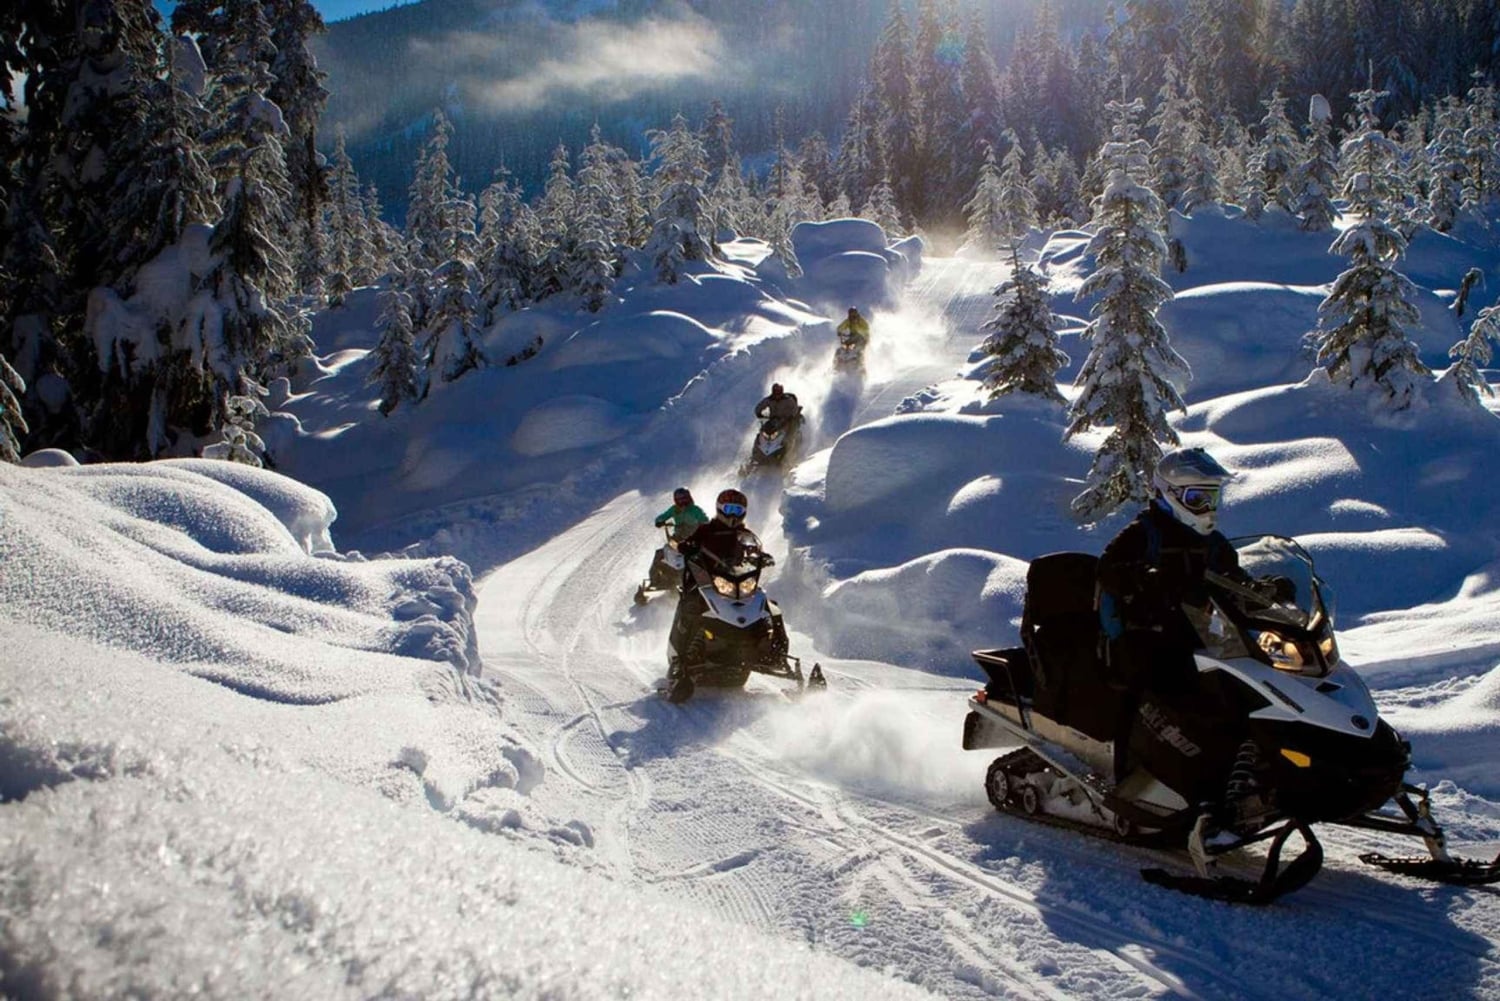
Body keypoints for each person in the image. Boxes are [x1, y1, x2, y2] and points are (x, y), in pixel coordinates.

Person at [1095, 448, 1245, 780]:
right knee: (1148, 685)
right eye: (1197, 498)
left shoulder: (1213, 543)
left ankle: (1234, 764)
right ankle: (1124, 774)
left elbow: (1235, 577)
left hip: (1196, 633)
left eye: (1212, 498)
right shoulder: (1144, 532)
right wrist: (1142, 578)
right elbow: (1108, 568)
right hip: (1142, 633)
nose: (1207, 508)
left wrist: (1267, 588)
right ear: (1170, 494)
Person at [668, 488, 763, 671]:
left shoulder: (744, 534)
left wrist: (762, 557)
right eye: (729, 509)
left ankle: (774, 650)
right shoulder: (706, 529)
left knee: (765, 603)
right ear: (720, 508)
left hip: (735, 581)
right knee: (692, 605)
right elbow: (689, 543)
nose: (733, 515)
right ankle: (681, 657)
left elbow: (753, 550)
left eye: (737, 510)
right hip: (705, 580)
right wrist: (686, 547)